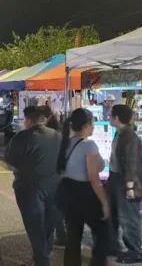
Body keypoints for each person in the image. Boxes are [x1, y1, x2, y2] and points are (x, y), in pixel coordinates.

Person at [4, 106, 62, 266]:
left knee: (35, 226)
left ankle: (42, 261)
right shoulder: (57, 136)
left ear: (29, 121)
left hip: (29, 186)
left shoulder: (23, 136)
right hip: (55, 185)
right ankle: (43, 256)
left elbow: (10, 158)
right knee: (49, 224)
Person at [56, 108, 112, 266]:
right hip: (84, 193)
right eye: (92, 123)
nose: (93, 127)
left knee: (73, 236)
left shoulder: (66, 142)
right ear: (86, 124)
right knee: (103, 232)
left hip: (66, 192)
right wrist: (104, 202)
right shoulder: (88, 145)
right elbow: (93, 178)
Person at [107, 104, 142, 264]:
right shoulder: (120, 133)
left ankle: (135, 251)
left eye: (110, 115)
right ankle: (114, 246)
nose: (108, 118)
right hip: (116, 179)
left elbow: (131, 163)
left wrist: (129, 186)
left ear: (116, 118)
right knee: (114, 215)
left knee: (128, 218)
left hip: (126, 182)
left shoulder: (129, 136)